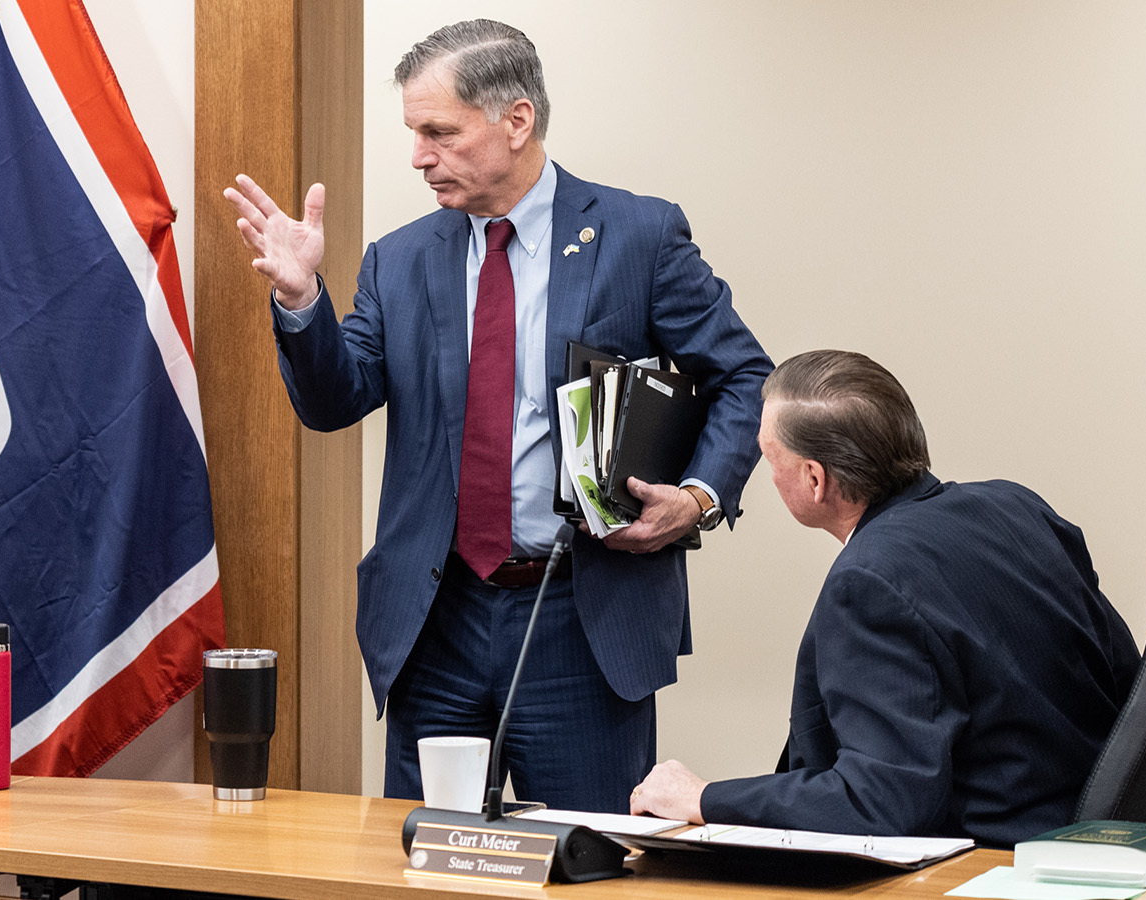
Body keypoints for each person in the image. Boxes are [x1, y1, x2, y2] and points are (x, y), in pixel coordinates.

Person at [225, 19, 772, 812]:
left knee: (586, 863)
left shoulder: (637, 236)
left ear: (517, 120)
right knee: (423, 868)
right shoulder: (400, 257)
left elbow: (745, 375)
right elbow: (335, 402)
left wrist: (698, 497)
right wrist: (302, 298)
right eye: (414, 133)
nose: (418, 156)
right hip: (434, 617)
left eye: (439, 132)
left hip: (578, 615)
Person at [630, 349, 1141, 847]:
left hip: (990, 864)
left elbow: (880, 802)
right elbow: (1127, 688)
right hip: (1105, 836)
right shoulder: (1017, 506)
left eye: (769, 458)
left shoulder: (869, 582)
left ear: (814, 479)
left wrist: (703, 799)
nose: (768, 473)